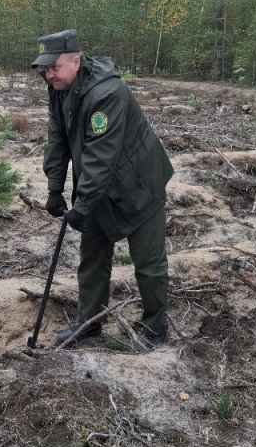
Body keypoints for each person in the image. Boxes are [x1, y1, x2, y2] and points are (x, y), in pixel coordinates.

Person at [32, 29, 174, 348]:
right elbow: (57, 139)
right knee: (92, 255)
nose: (48, 74)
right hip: (100, 186)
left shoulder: (107, 93)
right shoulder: (59, 88)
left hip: (139, 183)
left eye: (54, 67)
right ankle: (89, 323)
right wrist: (54, 188)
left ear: (77, 60)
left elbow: (101, 155)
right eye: (44, 68)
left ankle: (154, 327)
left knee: (148, 263)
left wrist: (82, 206)